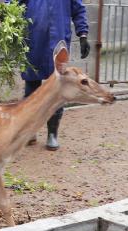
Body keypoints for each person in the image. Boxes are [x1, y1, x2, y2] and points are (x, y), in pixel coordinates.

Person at [19, 0, 90, 151]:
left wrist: (83, 34)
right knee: (32, 88)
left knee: (58, 90)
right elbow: (12, 3)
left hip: (58, 42)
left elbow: (78, 9)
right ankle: (30, 130)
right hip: (33, 40)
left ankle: (52, 133)